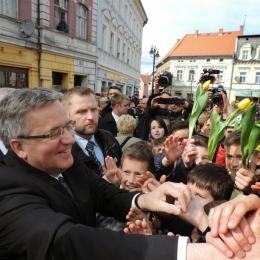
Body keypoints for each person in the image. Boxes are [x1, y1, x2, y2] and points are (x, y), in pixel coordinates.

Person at [0, 87, 197, 260]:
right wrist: (182, 252)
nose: (69, 139)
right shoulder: (7, 189)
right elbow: (68, 240)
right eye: (54, 133)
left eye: (67, 126)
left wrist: (146, 199)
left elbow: (101, 192)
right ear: (19, 147)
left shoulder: (66, 160)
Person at [61, 86, 122, 175]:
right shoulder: (62, 151)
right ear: (66, 115)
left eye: (94, 110)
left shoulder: (109, 139)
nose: (91, 117)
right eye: (82, 111)